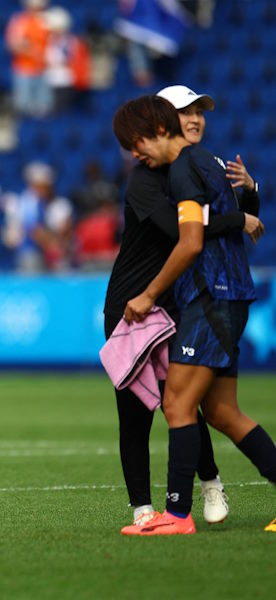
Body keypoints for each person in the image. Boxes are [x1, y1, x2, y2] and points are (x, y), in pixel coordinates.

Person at [112, 95, 276, 535]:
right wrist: (249, 202)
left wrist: (148, 294)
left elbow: (188, 242)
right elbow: (232, 223)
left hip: (210, 299)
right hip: (229, 295)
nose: (134, 153)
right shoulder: (207, 163)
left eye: (136, 142)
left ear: (158, 129)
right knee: (223, 413)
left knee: (178, 404)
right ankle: (182, 509)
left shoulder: (185, 169)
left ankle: (177, 514)